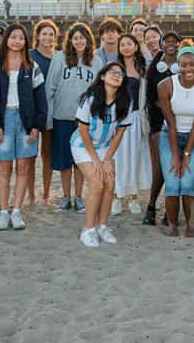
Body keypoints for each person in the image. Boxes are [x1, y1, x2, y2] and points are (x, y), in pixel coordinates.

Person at [0, 23, 48, 231]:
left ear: (26, 41)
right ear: (7, 40)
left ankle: (17, 211)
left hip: (26, 122)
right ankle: (3, 213)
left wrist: (37, 125)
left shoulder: (32, 65)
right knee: (4, 169)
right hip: (4, 120)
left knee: (22, 168)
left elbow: (40, 98)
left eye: (21, 38)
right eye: (13, 37)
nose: (17, 41)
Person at [156, 44, 194, 237]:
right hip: (170, 134)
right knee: (173, 183)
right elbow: (171, 123)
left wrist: (187, 155)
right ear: (178, 65)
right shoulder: (165, 86)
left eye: (192, 64)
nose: (188, 69)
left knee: (188, 181)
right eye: (183, 65)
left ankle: (190, 227)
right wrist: (176, 155)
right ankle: (173, 226)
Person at [72, 61, 133, 248]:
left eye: (120, 73)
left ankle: (102, 226)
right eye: (112, 72)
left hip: (105, 147)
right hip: (83, 145)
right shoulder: (89, 99)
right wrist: (96, 161)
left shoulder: (125, 102)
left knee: (110, 183)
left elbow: (119, 133)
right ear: (102, 76)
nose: (116, 75)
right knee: (97, 184)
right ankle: (88, 230)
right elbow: (82, 131)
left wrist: (106, 160)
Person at [45, 22, 101, 214]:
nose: (79, 41)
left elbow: (100, 91)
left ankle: (78, 197)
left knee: (80, 161)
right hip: (62, 116)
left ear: (88, 39)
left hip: (84, 121)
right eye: (75, 37)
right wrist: (49, 118)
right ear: (70, 40)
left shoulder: (96, 60)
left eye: (82, 37)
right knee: (63, 160)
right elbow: (49, 89)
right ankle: (65, 197)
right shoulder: (59, 58)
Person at [142, 30, 181, 226]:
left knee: (176, 164)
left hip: (180, 119)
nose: (171, 44)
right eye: (168, 41)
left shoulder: (184, 64)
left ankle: (169, 209)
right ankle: (151, 207)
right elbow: (150, 95)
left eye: (175, 41)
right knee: (164, 163)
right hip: (159, 120)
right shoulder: (155, 68)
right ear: (162, 43)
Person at [113, 33, 151, 215]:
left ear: (136, 46)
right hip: (117, 118)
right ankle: (116, 198)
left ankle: (133, 198)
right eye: (123, 44)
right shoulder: (114, 68)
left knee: (136, 157)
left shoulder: (142, 68)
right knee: (117, 159)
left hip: (136, 117)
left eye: (130, 44)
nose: (126, 47)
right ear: (119, 48)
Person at [28, 19, 59, 208]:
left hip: (51, 108)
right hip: (31, 108)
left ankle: (46, 194)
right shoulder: (30, 55)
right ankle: (31, 195)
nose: (47, 37)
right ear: (37, 36)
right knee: (30, 154)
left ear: (55, 37)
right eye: (44, 34)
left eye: (51, 34)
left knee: (47, 153)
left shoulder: (58, 57)